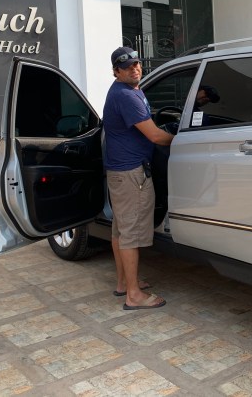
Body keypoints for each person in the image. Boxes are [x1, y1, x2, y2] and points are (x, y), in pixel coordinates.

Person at [103, 47, 174, 310]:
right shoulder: (126, 96)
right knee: (130, 235)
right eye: (127, 67)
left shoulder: (129, 90)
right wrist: (182, 139)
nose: (134, 69)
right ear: (116, 71)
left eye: (136, 64)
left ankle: (124, 283)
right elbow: (155, 136)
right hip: (131, 174)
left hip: (122, 173)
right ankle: (134, 296)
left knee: (121, 230)